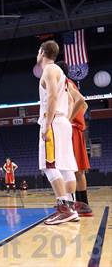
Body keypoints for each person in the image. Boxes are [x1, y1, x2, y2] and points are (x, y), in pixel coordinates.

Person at [37, 40, 79, 225]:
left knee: (50, 166)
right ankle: (71, 208)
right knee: (65, 168)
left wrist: (47, 124)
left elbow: (53, 96)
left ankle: (64, 209)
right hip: (62, 122)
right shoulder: (60, 73)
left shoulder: (49, 69)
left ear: (42, 52)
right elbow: (70, 100)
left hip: (53, 121)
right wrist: (65, 119)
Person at [56, 61, 93, 217]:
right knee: (75, 169)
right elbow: (84, 108)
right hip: (74, 130)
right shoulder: (66, 84)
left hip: (73, 130)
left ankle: (82, 205)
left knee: (75, 170)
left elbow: (82, 102)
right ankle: (79, 204)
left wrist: (69, 119)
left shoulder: (66, 82)